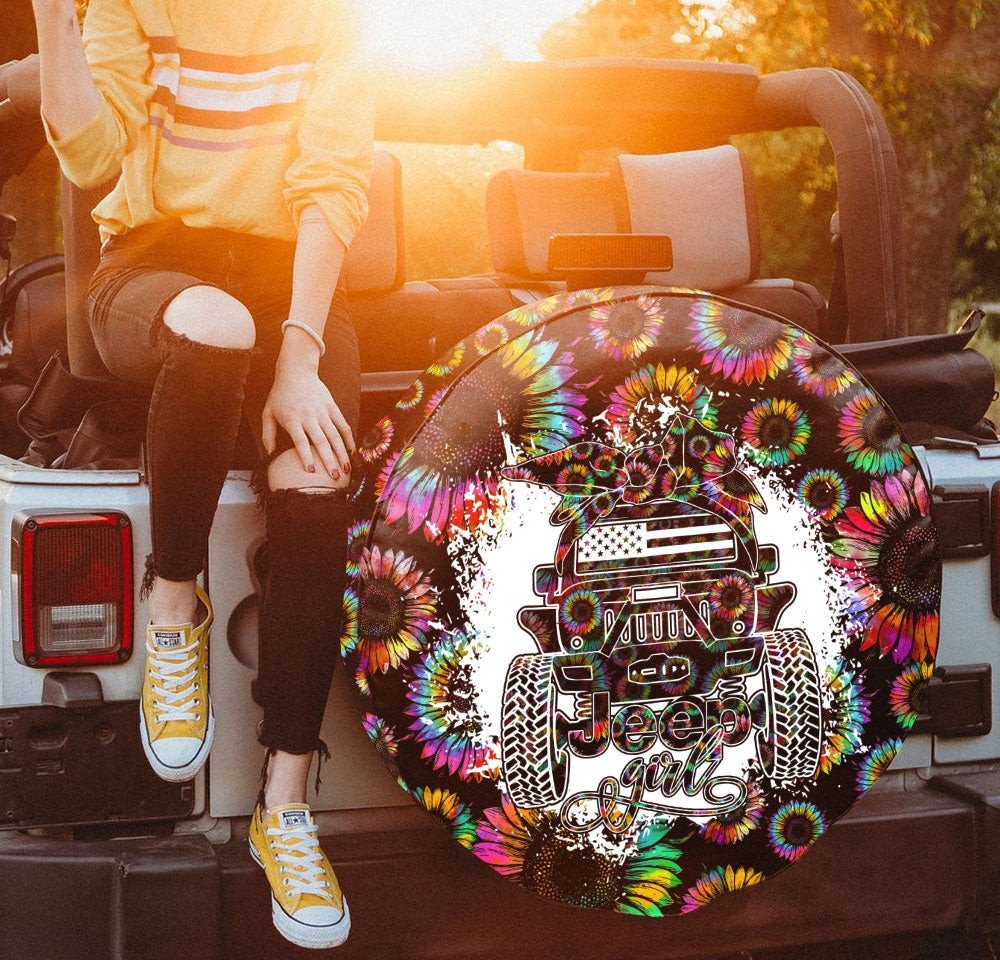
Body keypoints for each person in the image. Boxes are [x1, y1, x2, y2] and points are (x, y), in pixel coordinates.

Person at [30, 0, 374, 949]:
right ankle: (174, 605)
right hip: (152, 268)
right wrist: (55, 25)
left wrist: (301, 356)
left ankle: (285, 807)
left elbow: (332, 184)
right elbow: (93, 157)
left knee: (314, 480)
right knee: (218, 325)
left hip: (293, 286)